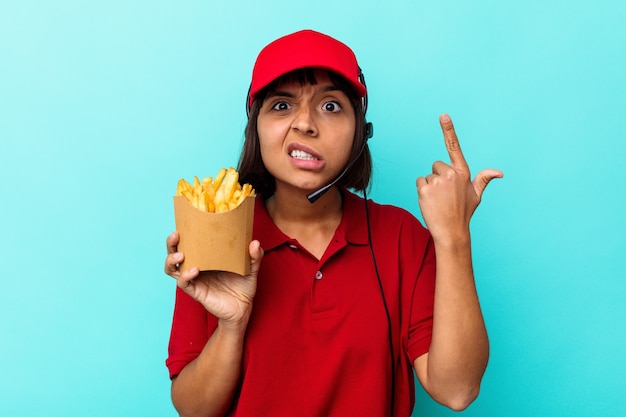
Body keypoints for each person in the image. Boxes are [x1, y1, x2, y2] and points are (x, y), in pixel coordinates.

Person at [164, 29, 502, 417]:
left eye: (330, 106)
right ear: (255, 127)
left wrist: (455, 236)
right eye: (281, 106)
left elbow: (457, 390)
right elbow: (193, 410)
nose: (305, 124)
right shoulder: (214, 228)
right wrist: (231, 325)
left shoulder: (400, 236)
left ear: (361, 131)